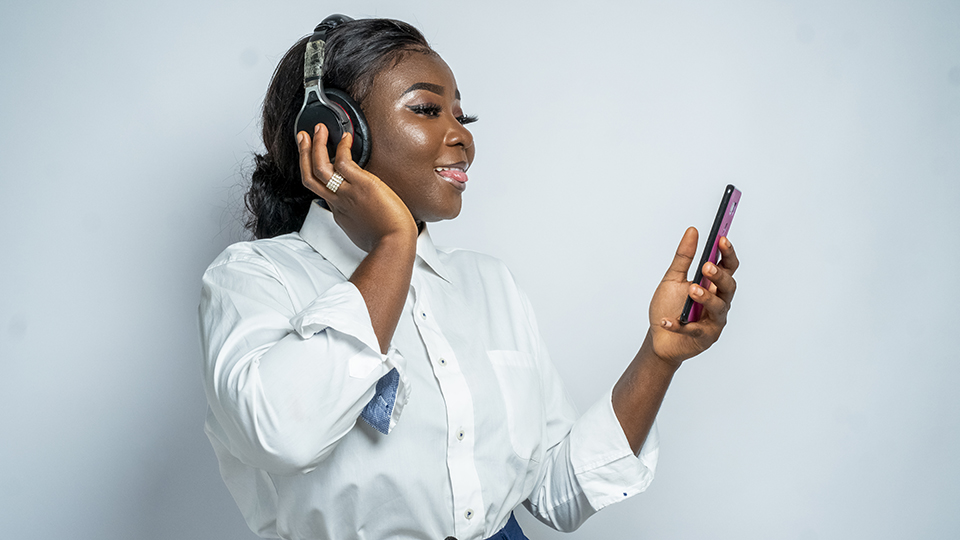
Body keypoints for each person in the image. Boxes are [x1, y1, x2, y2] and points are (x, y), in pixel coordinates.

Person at [199, 15, 739, 540]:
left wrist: (658, 356)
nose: (461, 137)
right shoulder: (253, 280)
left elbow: (556, 494)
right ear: (334, 132)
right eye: (427, 109)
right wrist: (393, 243)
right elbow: (286, 435)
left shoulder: (489, 283)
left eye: (463, 117)